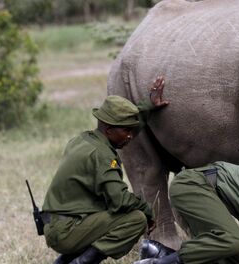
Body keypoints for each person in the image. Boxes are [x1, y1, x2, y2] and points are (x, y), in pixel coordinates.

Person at [41, 76, 169, 264]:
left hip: (57, 225)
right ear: (109, 130)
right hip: (67, 230)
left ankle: (64, 261)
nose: (130, 136)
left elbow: (123, 125)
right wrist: (148, 211)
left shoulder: (83, 140)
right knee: (136, 219)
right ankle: (82, 262)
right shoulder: (102, 156)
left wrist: (148, 106)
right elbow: (120, 201)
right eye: (126, 131)